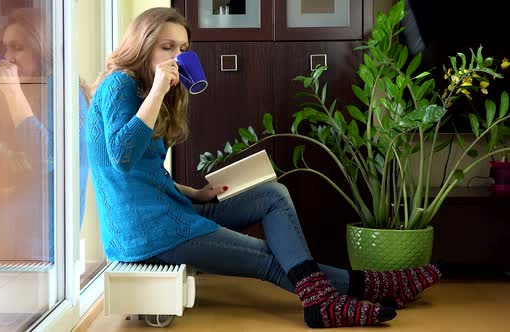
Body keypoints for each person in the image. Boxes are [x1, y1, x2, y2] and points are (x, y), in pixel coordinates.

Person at [87, 7, 441, 328]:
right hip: (146, 233)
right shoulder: (121, 84)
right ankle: (359, 290)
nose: (178, 57)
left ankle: (342, 294)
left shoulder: (149, 91)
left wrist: (196, 192)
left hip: (169, 213)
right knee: (267, 257)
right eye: (167, 47)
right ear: (142, 44)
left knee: (273, 194)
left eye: (183, 48)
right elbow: (122, 157)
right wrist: (159, 91)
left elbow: (146, 174)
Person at [0, 7, 89, 261]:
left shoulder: (61, 90)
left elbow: (48, 157)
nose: (8, 58)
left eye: (18, 47)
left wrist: (12, 94)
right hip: (7, 240)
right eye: (6, 48)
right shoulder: (31, 91)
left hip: (40, 247)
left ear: (41, 47)